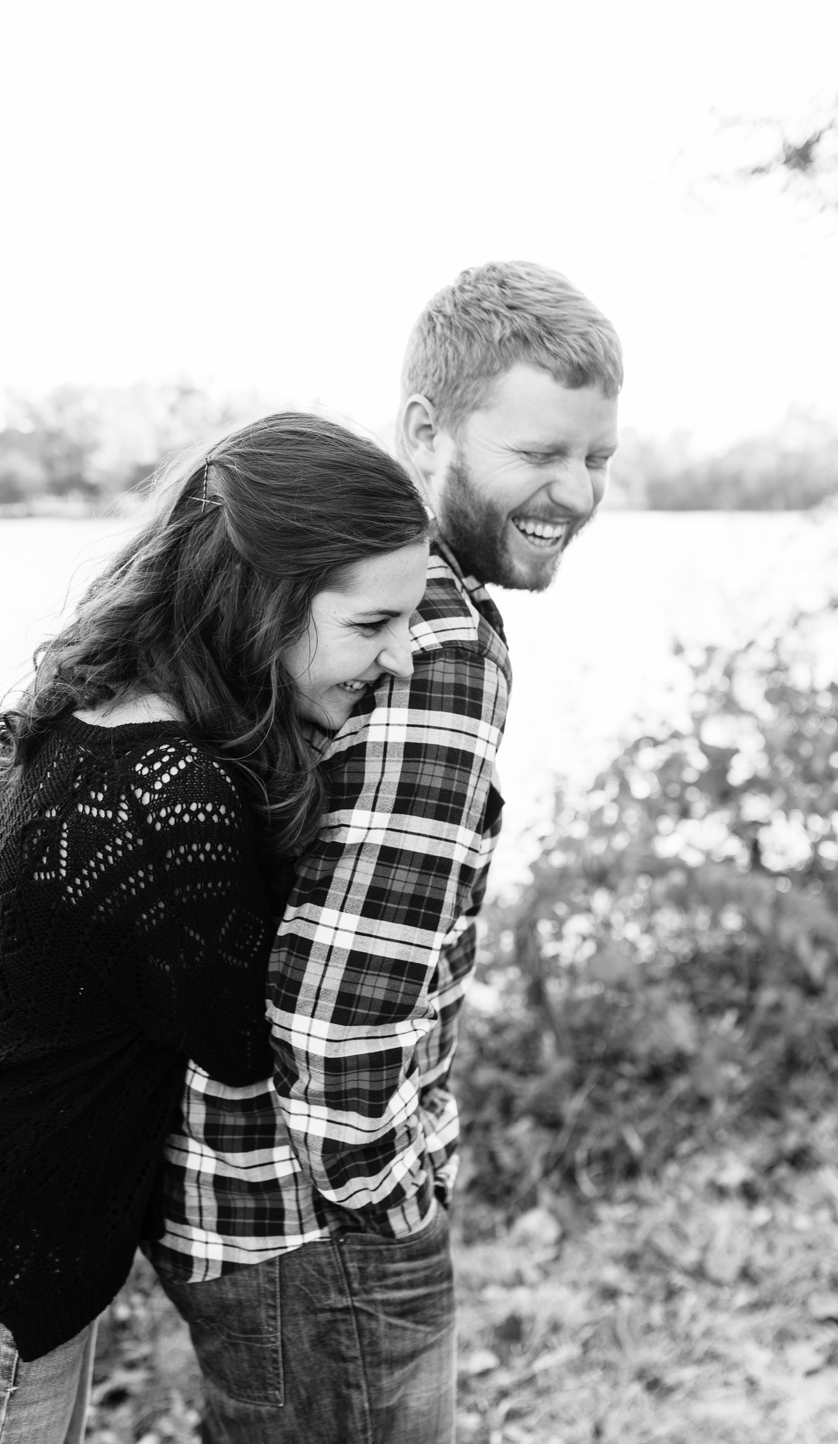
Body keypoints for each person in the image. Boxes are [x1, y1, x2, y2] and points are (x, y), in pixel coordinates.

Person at [0, 413, 436, 1444]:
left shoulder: (97, 707)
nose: (400, 656)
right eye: (369, 624)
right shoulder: (172, 796)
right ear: (262, 604)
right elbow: (243, 1043)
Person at [147, 261, 622, 1443]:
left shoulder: (313, 589)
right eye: (537, 454)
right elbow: (337, 1004)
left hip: (226, 1204)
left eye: (596, 456)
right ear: (427, 430)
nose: (572, 491)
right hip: (319, 1237)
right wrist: (387, 1203)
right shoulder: (439, 637)